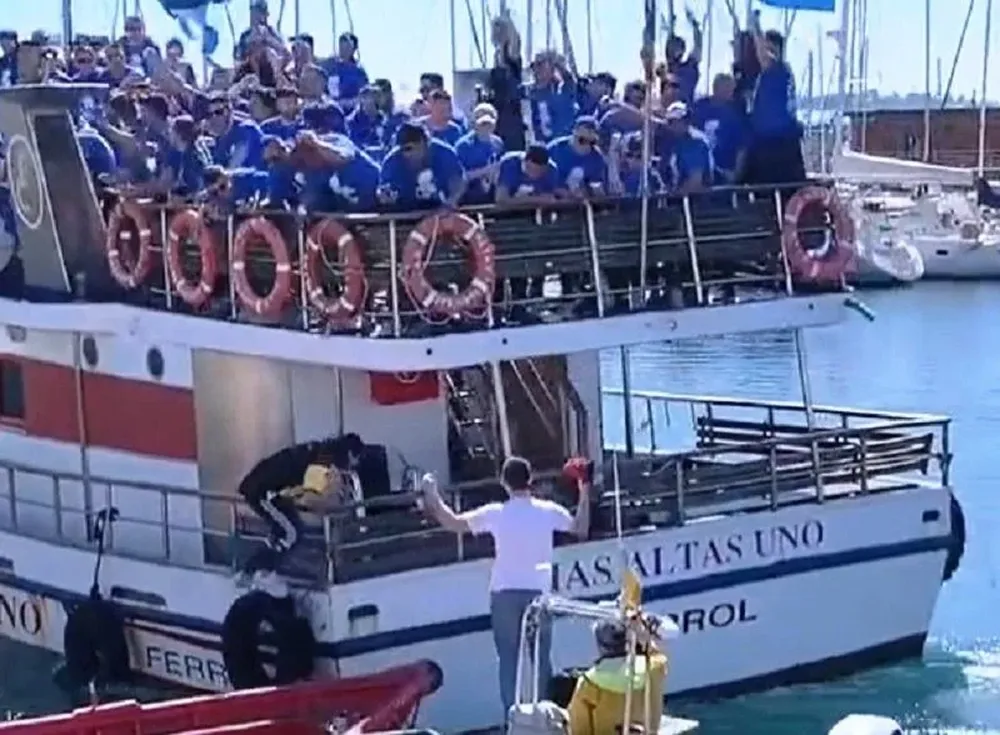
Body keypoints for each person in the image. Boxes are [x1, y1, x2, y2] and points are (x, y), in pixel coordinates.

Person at [420, 455, 591, 719]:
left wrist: (432, 494)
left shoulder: (495, 513)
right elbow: (580, 528)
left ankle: (512, 720)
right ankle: (545, 720)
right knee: (541, 661)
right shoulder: (548, 510)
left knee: (509, 662)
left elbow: (452, 522)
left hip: (504, 593)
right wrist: (584, 488)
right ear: (530, 480)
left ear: (504, 482)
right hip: (539, 593)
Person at [238, 433, 365, 568]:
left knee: (284, 531)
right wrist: (332, 498)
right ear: (350, 453)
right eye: (357, 459)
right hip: (262, 491)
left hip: (266, 487)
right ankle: (254, 569)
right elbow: (309, 499)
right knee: (292, 534)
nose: (355, 464)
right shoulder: (322, 464)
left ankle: (267, 570)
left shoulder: (319, 452)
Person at [566, 614, 668, 735]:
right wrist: (642, 635)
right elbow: (657, 655)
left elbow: (579, 730)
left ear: (600, 646)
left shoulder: (589, 682)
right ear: (627, 642)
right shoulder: (653, 668)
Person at [743, 13, 804, 186]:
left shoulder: (778, 70)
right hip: (774, 140)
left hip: (776, 142)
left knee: (773, 189)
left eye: (769, 48)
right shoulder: (776, 74)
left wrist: (755, 27)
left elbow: (764, 57)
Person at [378, 122, 465, 210]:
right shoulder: (392, 161)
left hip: (442, 211)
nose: (407, 154)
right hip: (406, 214)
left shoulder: (445, 153)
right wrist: (385, 196)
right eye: (403, 149)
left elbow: (458, 181)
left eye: (410, 148)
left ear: (425, 143)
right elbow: (384, 188)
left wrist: (451, 201)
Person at [690, 73, 749, 185]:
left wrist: (736, 173)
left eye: (732, 89)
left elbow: (742, 147)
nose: (731, 93)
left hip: (723, 173)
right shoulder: (699, 107)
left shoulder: (735, 114)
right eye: (728, 88)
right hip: (698, 171)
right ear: (717, 88)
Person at [455, 103, 505, 205]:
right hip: (468, 198)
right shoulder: (463, 145)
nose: (486, 127)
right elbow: (458, 177)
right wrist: (485, 171)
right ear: (474, 123)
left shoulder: (498, 143)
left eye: (489, 124)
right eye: (483, 124)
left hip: (492, 196)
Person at [547, 117, 607, 197]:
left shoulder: (597, 158)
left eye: (590, 141)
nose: (586, 144)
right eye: (582, 139)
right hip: (551, 199)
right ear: (574, 132)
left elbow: (596, 185)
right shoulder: (555, 148)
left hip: (580, 202)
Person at [526, 51, 578, 144]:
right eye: (534, 66)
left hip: (562, 143)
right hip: (539, 145)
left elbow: (569, 80)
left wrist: (557, 62)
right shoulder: (529, 92)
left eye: (541, 65)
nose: (537, 70)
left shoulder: (562, 90)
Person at [495, 144, 561, 203]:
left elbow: (551, 196)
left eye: (541, 171)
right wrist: (534, 199)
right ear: (526, 163)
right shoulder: (510, 165)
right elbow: (501, 199)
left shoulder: (551, 170)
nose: (537, 175)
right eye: (535, 170)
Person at [321, 32, 369, 110]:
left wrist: (348, 103)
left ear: (353, 49)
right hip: (329, 107)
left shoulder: (359, 70)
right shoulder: (330, 65)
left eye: (347, 47)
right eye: (341, 46)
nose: (343, 49)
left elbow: (364, 94)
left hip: (351, 109)